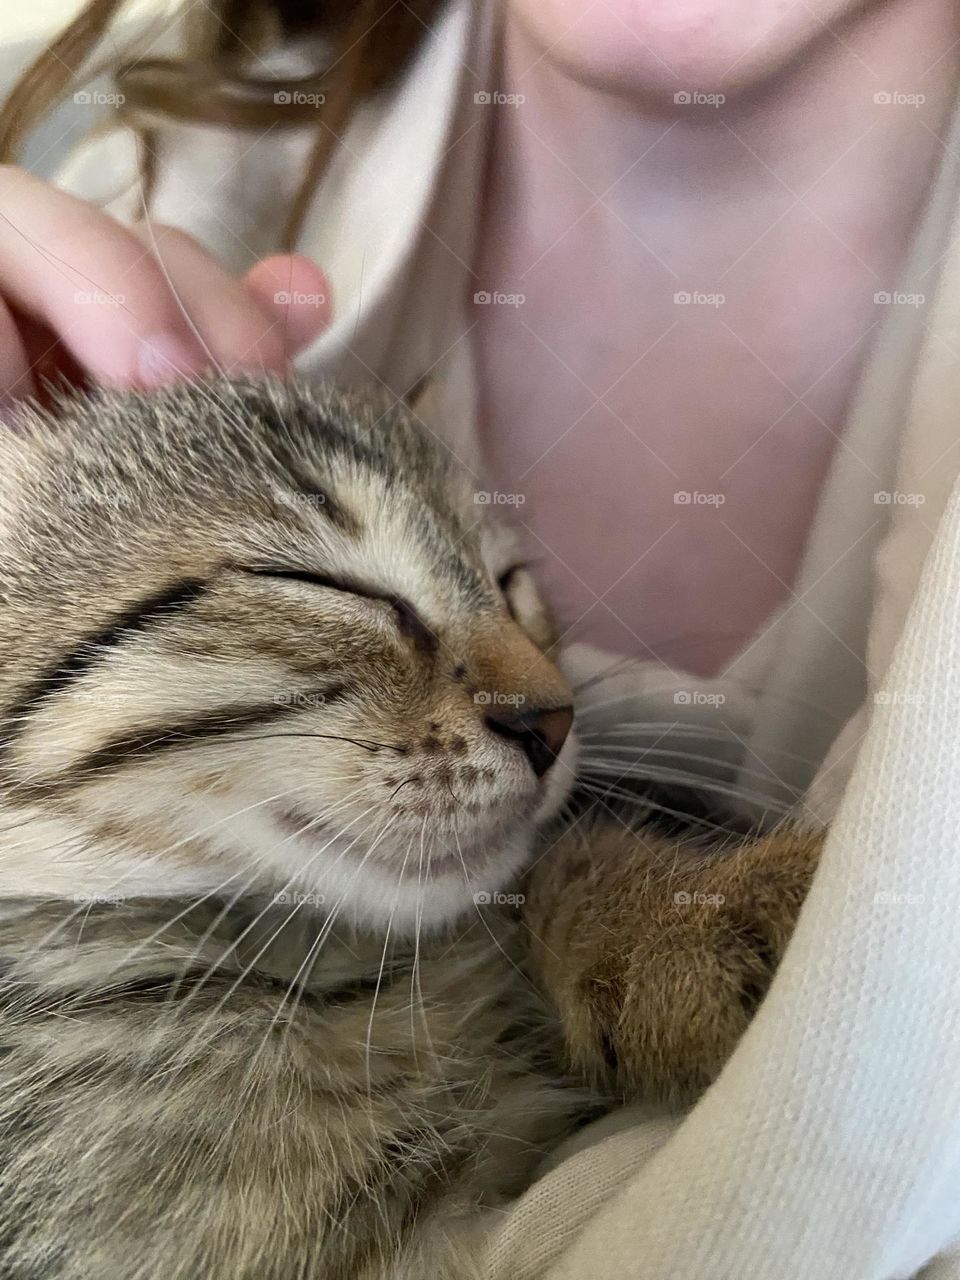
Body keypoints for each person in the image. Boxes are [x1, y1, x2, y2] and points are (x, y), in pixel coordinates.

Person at [4, 1, 960, 1276]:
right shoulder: (88, 153)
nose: (532, 689)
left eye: (515, 599)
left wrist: (611, 910)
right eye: (326, 587)